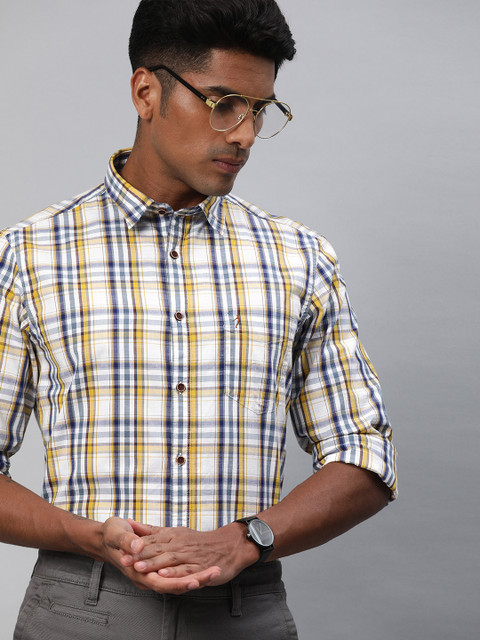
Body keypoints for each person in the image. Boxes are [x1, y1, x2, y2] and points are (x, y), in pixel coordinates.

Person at [0, 0, 397, 637]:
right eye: (224, 103)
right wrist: (89, 536)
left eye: (260, 109)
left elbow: (366, 457)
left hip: (245, 612)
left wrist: (247, 537)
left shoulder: (300, 258)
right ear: (146, 92)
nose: (245, 134)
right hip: (78, 610)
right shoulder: (28, 256)